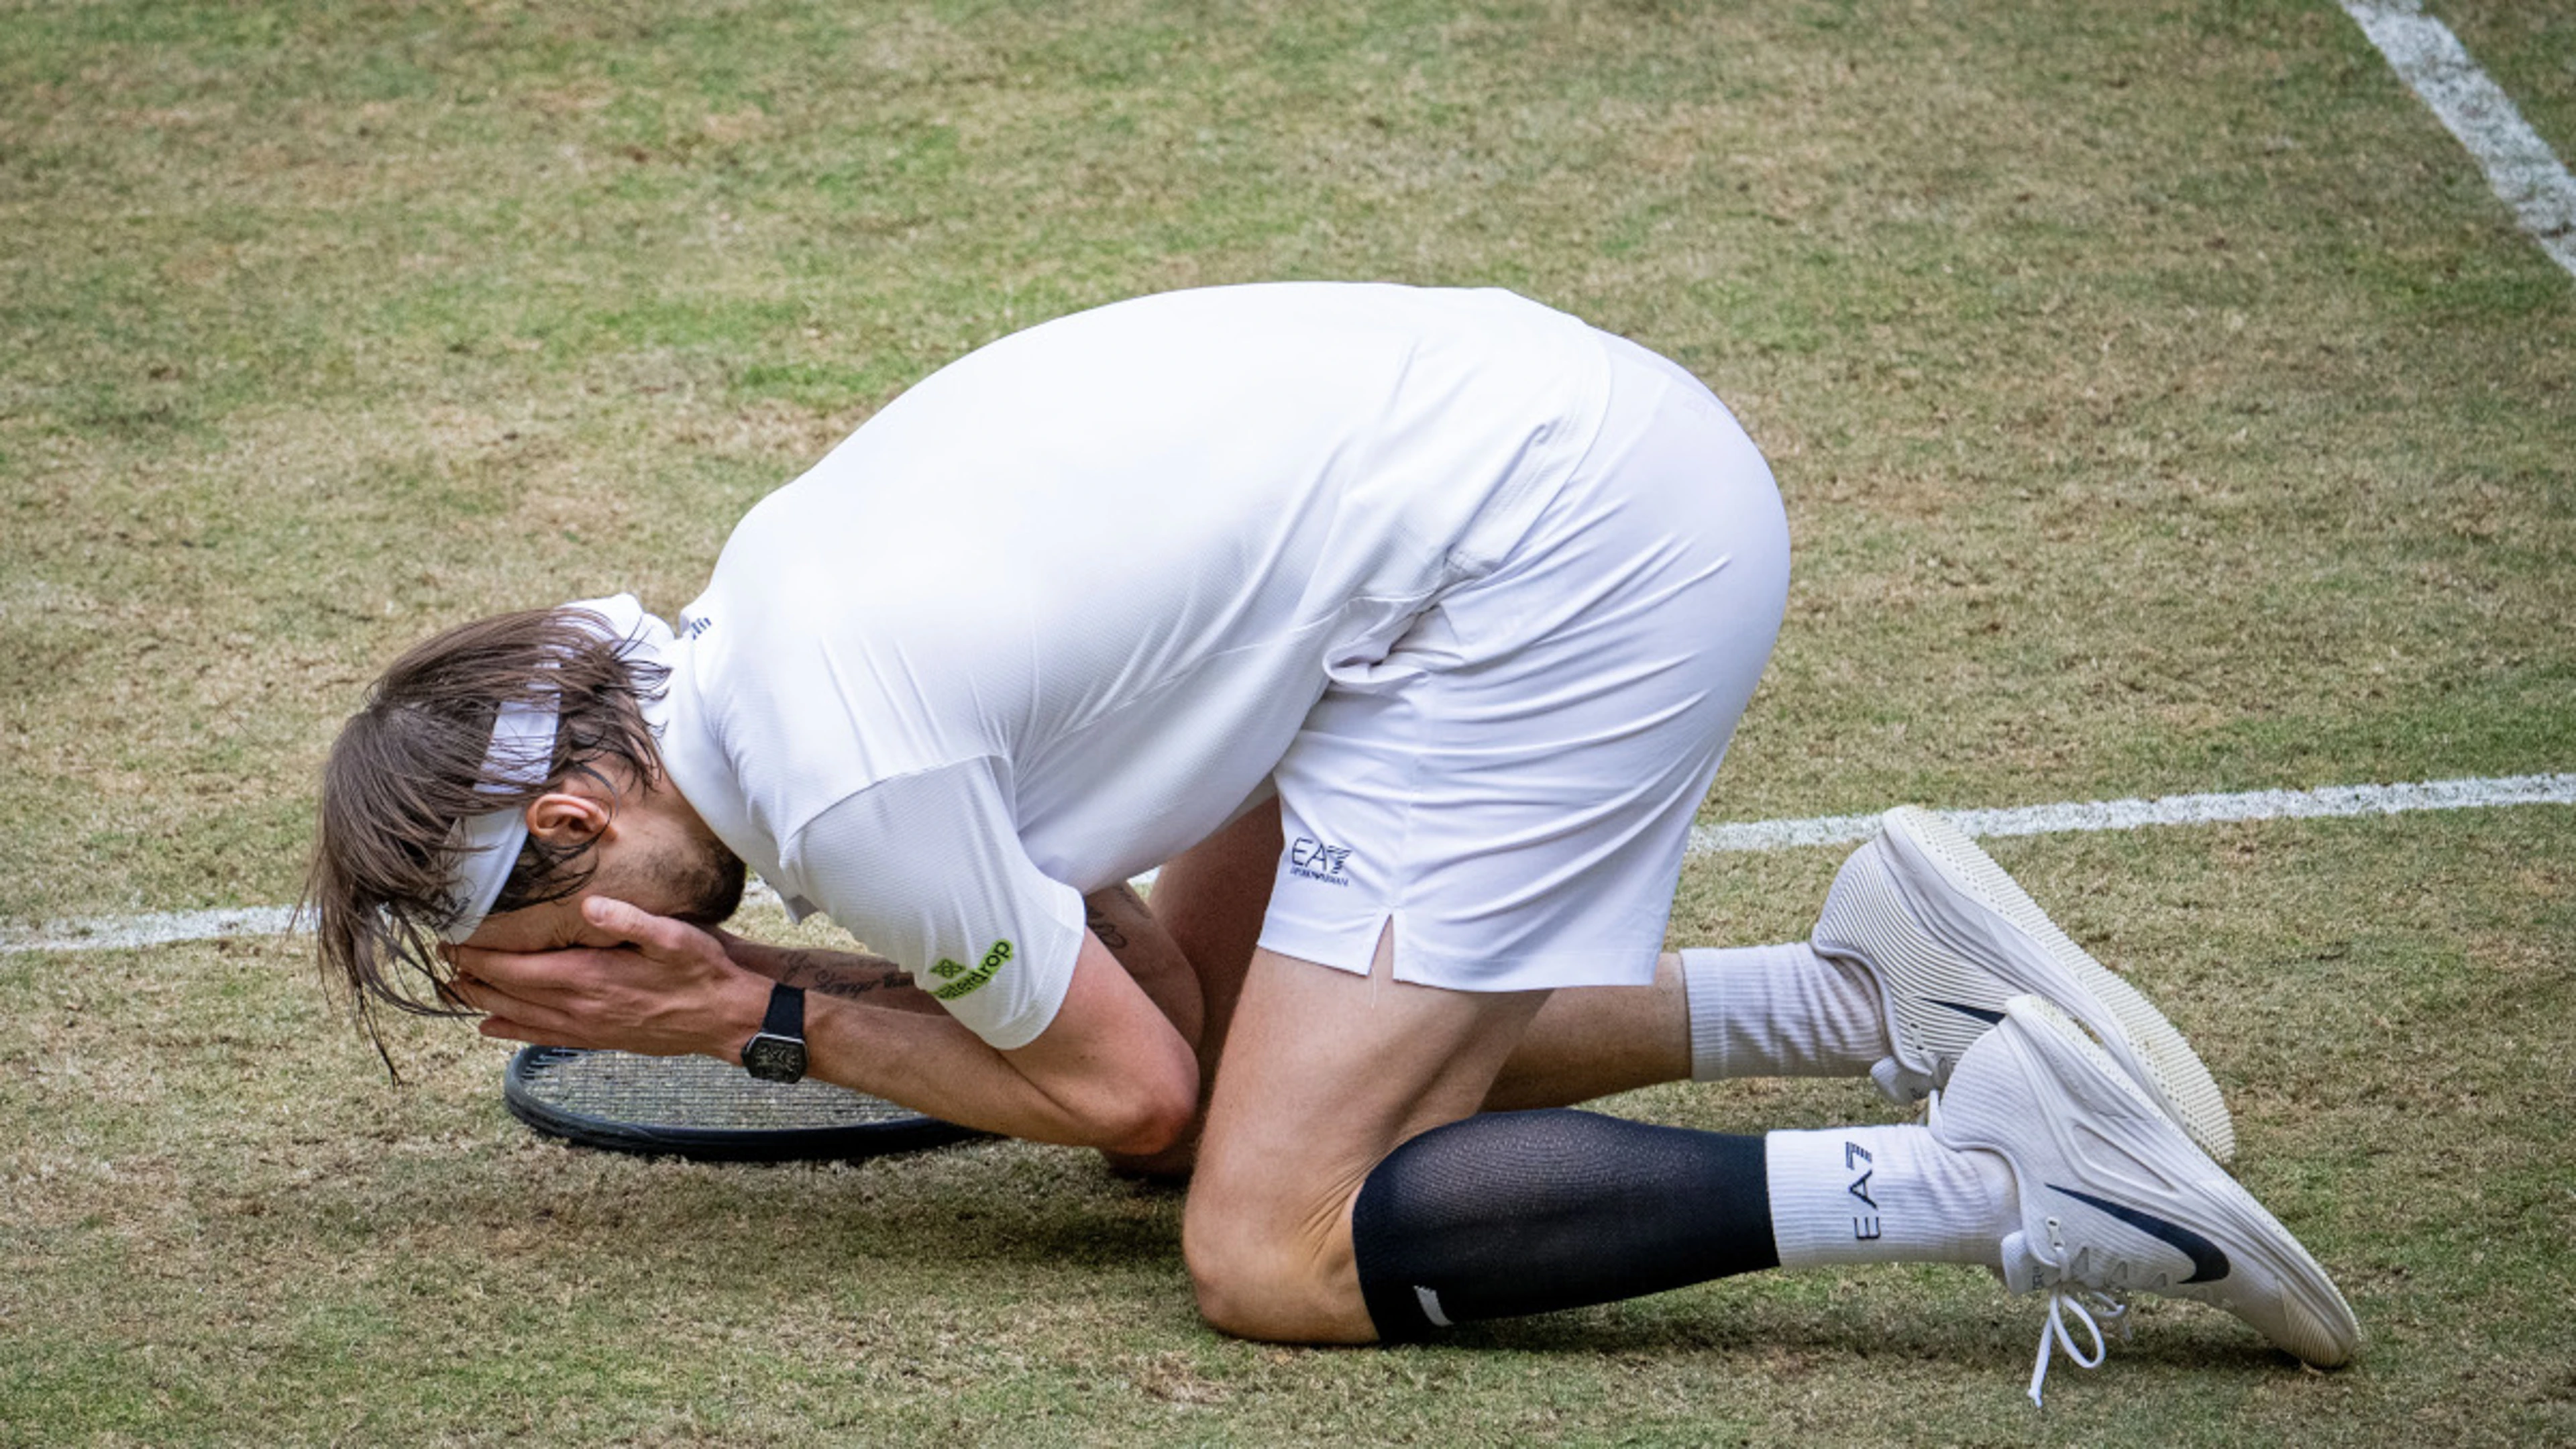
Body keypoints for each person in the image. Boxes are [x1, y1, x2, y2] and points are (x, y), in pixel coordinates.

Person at [307, 282, 2355, 1405]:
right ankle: (1863, 985)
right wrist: (788, 988)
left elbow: (1125, 1089)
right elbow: (1166, 1020)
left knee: (1266, 1241)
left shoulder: (839, 780)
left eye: (520, 922)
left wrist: (755, 1016)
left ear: (576, 816)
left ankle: (1998, 1177)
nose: (533, 975)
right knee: (1261, 1101)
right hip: (1519, 476)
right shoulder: (769, 638)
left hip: (1557, 564)